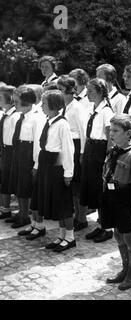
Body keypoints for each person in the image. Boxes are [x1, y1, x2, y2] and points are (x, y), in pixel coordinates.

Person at [31, 90, 75, 252]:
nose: (41, 106)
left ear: (53, 106)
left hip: (57, 166)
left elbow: (68, 150)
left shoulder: (62, 124)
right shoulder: (49, 121)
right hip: (46, 164)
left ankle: (70, 237)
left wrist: (68, 172)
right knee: (55, 203)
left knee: (63, 203)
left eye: (44, 103)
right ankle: (61, 235)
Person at [102, 114, 131, 290]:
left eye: (116, 131)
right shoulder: (113, 150)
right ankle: (125, 269)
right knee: (117, 233)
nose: (111, 133)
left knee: (129, 237)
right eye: (110, 130)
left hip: (126, 199)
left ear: (129, 133)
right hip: (112, 197)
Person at [81, 78, 115, 243]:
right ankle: (101, 224)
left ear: (101, 92)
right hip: (91, 149)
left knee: (102, 190)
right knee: (94, 189)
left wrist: (108, 158)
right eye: (87, 91)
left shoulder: (106, 111)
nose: (87, 94)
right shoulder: (93, 108)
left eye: (91, 92)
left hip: (100, 151)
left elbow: (111, 137)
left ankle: (107, 228)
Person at [7, 86, 44, 235]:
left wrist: (36, 164)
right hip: (19, 153)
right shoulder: (21, 116)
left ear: (27, 102)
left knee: (30, 190)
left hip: (29, 155)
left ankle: (37, 224)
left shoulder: (37, 117)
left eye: (16, 101)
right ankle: (23, 216)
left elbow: (38, 143)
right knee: (20, 187)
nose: (14, 103)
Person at [57, 75, 89, 232]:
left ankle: (82, 218)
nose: (59, 93)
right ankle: (76, 216)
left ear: (70, 91)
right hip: (67, 146)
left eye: (61, 90)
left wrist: (82, 152)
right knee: (71, 185)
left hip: (76, 145)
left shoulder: (77, 108)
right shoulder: (63, 106)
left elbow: (83, 132)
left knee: (77, 185)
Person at [0, 85, 17, 219]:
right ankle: (5, 209)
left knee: (12, 180)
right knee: (4, 180)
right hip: (4, 150)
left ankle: (21, 212)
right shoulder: (5, 114)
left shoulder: (15, 116)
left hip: (13, 151)